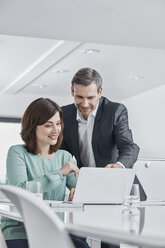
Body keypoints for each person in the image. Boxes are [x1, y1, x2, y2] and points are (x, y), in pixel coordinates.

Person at [61, 68, 146, 248]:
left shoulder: (115, 111)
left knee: (110, 243)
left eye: (90, 97)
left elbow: (130, 147)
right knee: (75, 240)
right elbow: (64, 155)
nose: (84, 103)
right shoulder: (64, 115)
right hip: (85, 189)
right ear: (72, 91)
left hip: (117, 190)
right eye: (79, 97)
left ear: (100, 92)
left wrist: (119, 166)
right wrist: (71, 185)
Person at [1, 98, 89, 248]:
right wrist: (60, 173)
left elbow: (82, 189)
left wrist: (78, 192)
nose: (56, 130)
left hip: (52, 232)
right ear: (32, 126)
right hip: (20, 232)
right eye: (48, 125)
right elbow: (20, 190)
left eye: (58, 123)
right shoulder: (17, 153)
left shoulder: (64, 157)